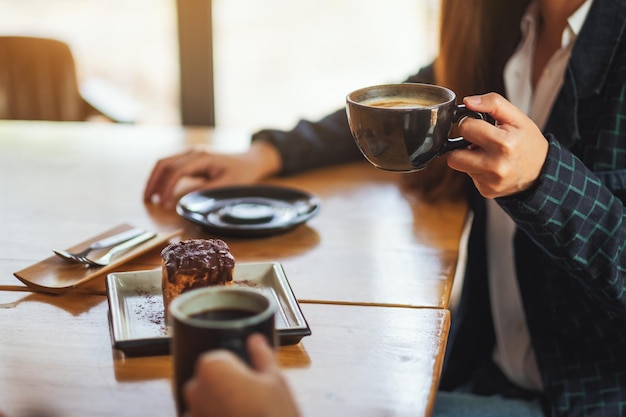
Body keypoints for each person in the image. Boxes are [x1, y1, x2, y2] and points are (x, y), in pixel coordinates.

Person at [146, 0, 626, 415]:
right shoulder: (507, 26)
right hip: (482, 368)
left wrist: (543, 178)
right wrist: (267, 155)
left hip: (578, 399)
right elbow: (402, 107)